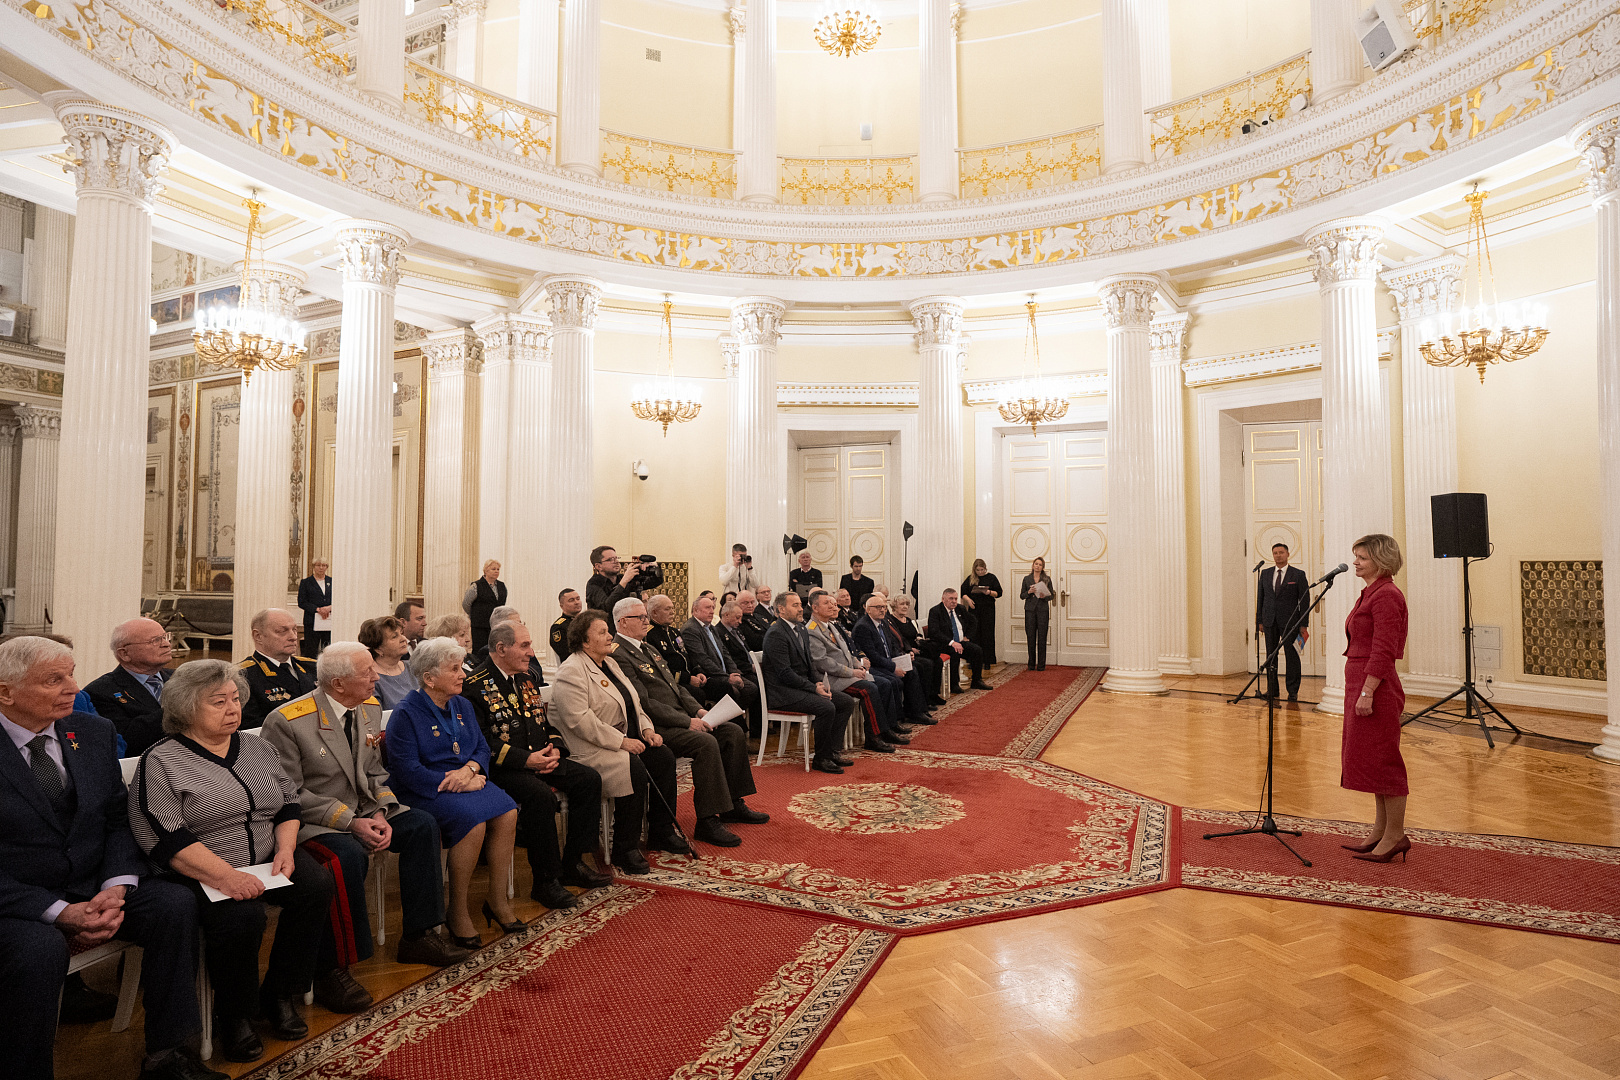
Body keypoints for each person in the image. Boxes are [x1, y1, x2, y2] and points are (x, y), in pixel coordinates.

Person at [0, 637, 217, 1080]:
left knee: (174, 904)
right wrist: (60, 911)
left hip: (95, 884)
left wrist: (116, 885)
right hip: (17, 898)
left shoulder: (90, 731)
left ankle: (170, 1055)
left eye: (72, 673)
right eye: (54, 680)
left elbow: (118, 819)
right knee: (39, 949)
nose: (72, 687)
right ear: (5, 692)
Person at [129, 660, 335, 1064]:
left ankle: (278, 992)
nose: (233, 708)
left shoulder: (257, 746)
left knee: (315, 886)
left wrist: (287, 850)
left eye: (236, 698)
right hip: (199, 869)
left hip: (268, 857)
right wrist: (226, 876)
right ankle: (234, 1014)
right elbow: (165, 835)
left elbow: (288, 802)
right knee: (242, 917)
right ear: (186, 708)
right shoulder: (162, 760)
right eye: (218, 701)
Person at [261, 642, 469, 1015]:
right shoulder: (288, 721)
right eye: (367, 673)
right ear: (338, 684)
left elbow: (375, 772)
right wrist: (349, 821)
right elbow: (287, 792)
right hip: (315, 821)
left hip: (365, 810)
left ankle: (419, 935)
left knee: (422, 824)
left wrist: (380, 811)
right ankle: (332, 969)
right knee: (346, 857)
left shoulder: (368, 708)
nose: (378, 677)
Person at [384, 642, 523, 949]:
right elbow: (406, 770)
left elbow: (481, 748)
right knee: (472, 821)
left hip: (466, 778)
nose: (463, 675)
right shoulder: (406, 713)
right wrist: (456, 781)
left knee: (508, 811)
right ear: (429, 678)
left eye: (461, 667)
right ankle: (457, 910)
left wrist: (471, 771)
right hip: (424, 789)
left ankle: (497, 899)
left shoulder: (462, 704)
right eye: (454, 669)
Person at [463, 624, 612, 909]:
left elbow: (546, 725)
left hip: (539, 758)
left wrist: (556, 749)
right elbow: (480, 743)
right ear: (501, 648)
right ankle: (546, 881)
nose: (531, 652)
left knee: (589, 779)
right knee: (540, 796)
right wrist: (526, 760)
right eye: (524, 645)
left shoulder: (526, 678)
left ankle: (574, 862)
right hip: (504, 768)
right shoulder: (475, 686)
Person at [613, 598, 768, 848]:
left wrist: (698, 711)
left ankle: (732, 804)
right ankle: (707, 821)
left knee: (732, 731)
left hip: (678, 718)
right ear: (622, 622)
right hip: (654, 727)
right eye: (640, 617)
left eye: (645, 616)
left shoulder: (647, 648)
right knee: (705, 743)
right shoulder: (619, 654)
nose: (646, 621)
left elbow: (676, 689)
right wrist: (687, 722)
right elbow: (644, 703)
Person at [551, 611, 688, 874]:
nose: (609, 636)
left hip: (619, 739)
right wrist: (621, 742)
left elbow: (634, 703)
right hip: (587, 748)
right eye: (602, 632)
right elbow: (580, 721)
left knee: (662, 756)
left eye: (608, 631)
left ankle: (661, 830)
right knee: (632, 766)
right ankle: (625, 847)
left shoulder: (610, 664)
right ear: (584, 640)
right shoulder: (571, 670)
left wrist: (647, 730)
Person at [1341, 534, 1412, 864]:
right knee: (1371, 760)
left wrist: (1368, 691)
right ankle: (1381, 830)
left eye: (1363, 558)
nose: (1356, 562)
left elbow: (1384, 649)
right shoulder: (1371, 593)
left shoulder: (1386, 595)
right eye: (1355, 556)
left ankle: (1396, 835)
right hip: (1362, 683)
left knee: (1384, 761)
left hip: (1377, 688)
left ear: (1381, 561)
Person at [761, 591, 853, 774]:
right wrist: (813, 688)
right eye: (794, 605)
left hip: (801, 687)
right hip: (783, 692)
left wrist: (820, 684)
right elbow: (784, 673)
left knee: (845, 702)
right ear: (781, 609)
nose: (800, 609)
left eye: (800, 605)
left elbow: (809, 663)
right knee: (826, 707)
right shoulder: (776, 634)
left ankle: (833, 752)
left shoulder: (801, 628)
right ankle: (821, 759)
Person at [806, 591, 906, 753]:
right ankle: (873, 737)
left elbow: (847, 650)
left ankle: (884, 729)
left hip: (846, 673)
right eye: (827, 603)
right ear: (815, 608)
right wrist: (851, 672)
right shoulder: (812, 630)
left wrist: (858, 664)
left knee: (882, 683)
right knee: (869, 689)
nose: (833, 606)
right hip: (831, 679)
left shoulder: (831, 625)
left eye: (833, 603)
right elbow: (823, 662)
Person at [83, 618, 173, 756]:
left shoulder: (183, 679)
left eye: (165, 637)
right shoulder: (101, 691)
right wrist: (182, 708)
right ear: (124, 654)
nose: (166, 644)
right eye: (155, 640)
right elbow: (127, 738)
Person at [854, 593, 935, 725]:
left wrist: (902, 657)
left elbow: (892, 645)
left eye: (884, 607)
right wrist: (893, 667)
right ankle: (895, 720)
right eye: (878, 607)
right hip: (875, 665)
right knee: (893, 681)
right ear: (868, 609)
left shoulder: (883, 622)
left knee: (912, 670)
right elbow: (872, 656)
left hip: (888, 660)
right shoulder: (863, 626)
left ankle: (915, 712)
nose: (882, 610)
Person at [681, 594, 760, 718]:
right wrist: (727, 677)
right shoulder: (691, 629)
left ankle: (727, 718)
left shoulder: (711, 628)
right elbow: (702, 659)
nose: (712, 611)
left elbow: (725, 653)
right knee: (730, 688)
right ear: (695, 610)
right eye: (707, 608)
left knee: (751, 688)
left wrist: (735, 672)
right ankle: (729, 721)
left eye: (713, 608)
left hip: (724, 672)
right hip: (709, 675)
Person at [237, 608, 316, 730]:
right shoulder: (243, 676)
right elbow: (251, 727)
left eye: (294, 629)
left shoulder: (313, 668)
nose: (293, 637)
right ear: (258, 636)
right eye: (281, 631)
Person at [1256, 543, 1310, 701]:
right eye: (1275, 553)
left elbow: (1305, 601)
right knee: (1271, 656)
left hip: (1291, 622)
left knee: (1291, 655)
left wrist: (1303, 624)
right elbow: (1261, 599)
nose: (1278, 555)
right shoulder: (1265, 573)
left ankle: (1292, 691)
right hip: (1269, 620)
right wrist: (1259, 620)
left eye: (1281, 552)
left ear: (1288, 554)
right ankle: (1272, 690)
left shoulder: (1298, 574)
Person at [928, 589, 990, 692]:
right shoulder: (935, 611)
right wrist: (952, 643)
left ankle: (977, 680)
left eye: (956, 599)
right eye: (951, 599)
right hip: (945, 644)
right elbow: (934, 632)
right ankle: (954, 684)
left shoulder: (960, 608)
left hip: (961, 642)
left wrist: (968, 637)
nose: (954, 601)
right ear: (943, 599)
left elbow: (973, 621)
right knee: (955, 651)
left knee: (977, 650)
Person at [889, 596, 945, 709]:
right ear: (894, 606)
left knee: (938, 661)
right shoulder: (891, 621)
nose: (905, 607)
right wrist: (910, 649)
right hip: (905, 652)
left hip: (917, 649)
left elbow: (917, 634)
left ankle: (933, 694)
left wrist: (919, 639)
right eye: (902, 604)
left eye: (906, 604)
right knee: (926, 664)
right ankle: (924, 700)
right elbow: (898, 639)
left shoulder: (909, 620)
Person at [645, 594, 704, 698]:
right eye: (667, 609)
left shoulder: (674, 632)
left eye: (672, 608)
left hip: (691, 677)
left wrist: (698, 671)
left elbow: (687, 654)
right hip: (674, 682)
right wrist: (688, 679)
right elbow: (661, 668)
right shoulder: (649, 635)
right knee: (698, 694)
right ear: (654, 612)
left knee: (722, 687)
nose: (672, 612)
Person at [360, 616, 418, 709]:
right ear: (378, 649)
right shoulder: (371, 678)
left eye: (401, 633)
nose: (403, 639)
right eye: (394, 636)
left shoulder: (413, 667)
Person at [461, 560, 508, 653]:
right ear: (486, 571)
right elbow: (466, 604)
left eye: (498, 569)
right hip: (480, 626)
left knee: (495, 649)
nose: (496, 571)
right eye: (493, 569)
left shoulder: (502, 586)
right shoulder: (476, 586)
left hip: (496, 625)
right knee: (480, 650)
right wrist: (475, 615)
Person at [962, 559, 1003, 665]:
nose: (980, 572)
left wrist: (988, 592)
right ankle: (973, 660)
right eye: (978, 570)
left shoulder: (991, 578)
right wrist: (968, 600)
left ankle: (987, 661)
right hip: (974, 609)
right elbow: (963, 591)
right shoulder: (971, 578)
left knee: (987, 634)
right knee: (974, 634)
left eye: (982, 570)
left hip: (988, 609)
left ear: (985, 568)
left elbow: (999, 593)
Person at [1019, 557, 1056, 671]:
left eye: (1040, 564)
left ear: (1042, 567)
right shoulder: (1026, 579)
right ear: (1033, 565)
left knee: (1042, 637)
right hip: (1030, 610)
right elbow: (1022, 595)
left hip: (1042, 610)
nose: (1037, 566)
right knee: (1030, 636)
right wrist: (1029, 592)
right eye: (1036, 564)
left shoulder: (1046, 579)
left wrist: (1045, 596)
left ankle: (1041, 665)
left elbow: (1052, 595)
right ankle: (1031, 663)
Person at [586, 546, 640, 615]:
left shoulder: (621, 578)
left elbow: (649, 584)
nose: (616, 562)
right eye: (610, 559)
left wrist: (654, 569)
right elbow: (607, 607)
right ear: (598, 566)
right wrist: (624, 582)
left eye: (616, 558)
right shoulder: (593, 583)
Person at [297, 559, 333, 654]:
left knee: (328, 648)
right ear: (313, 567)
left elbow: (338, 599)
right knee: (311, 649)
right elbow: (302, 602)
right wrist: (318, 609)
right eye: (318, 565)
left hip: (329, 619)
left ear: (327, 567)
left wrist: (329, 608)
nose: (321, 568)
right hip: (312, 620)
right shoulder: (306, 582)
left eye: (324, 565)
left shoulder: (332, 581)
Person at [550, 588, 583, 665]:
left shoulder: (587, 621)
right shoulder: (558, 627)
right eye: (571, 600)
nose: (576, 602)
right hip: (573, 666)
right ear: (562, 606)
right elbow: (565, 653)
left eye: (578, 599)